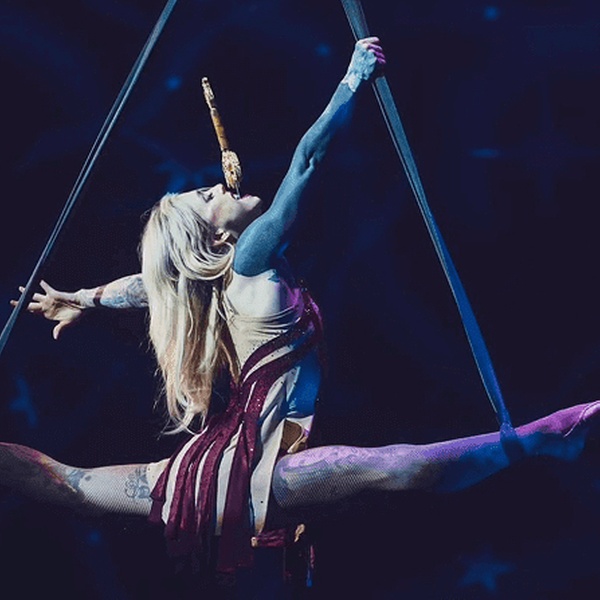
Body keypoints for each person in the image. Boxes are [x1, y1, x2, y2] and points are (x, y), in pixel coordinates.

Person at [5, 37, 600, 578]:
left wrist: (85, 298)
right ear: (215, 238)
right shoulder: (251, 258)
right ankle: (546, 435)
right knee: (395, 470)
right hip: (249, 465)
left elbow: (152, 284)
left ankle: (545, 438)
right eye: (208, 197)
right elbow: (307, 163)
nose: (219, 185)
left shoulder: (221, 280)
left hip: (219, 464)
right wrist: (352, 79)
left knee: (73, 484)